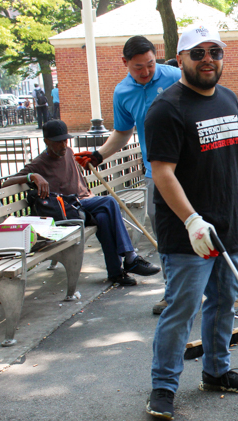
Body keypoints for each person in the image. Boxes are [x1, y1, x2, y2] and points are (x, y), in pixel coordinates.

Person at [143, 23, 238, 421]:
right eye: (198, 53)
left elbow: (235, 157)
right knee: (183, 307)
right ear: (180, 60)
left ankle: (216, 372)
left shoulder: (227, 99)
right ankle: (163, 388)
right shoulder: (166, 108)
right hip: (187, 232)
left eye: (215, 52)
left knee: (225, 300)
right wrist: (192, 220)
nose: (208, 59)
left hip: (228, 224)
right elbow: (162, 172)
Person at [74, 35, 181, 315]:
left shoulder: (177, 77)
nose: (146, 72)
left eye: (150, 64)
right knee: (166, 236)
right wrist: (98, 155)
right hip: (155, 173)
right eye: (138, 67)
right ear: (125, 63)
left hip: (192, 168)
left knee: (206, 226)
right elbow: (123, 132)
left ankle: (222, 291)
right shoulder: (123, 92)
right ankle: (173, 294)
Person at [2, 120, 161, 285]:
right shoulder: (39, 163)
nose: (63, 145)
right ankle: (130, 257)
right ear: (46, 141)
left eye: (65, 140)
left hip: (85, 204)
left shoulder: (68, 152)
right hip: (69, 210)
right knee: (109, 202)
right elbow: (6, 183)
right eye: (58, 142)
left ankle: (115, 273)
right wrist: (32, 176)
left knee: (104, 218)